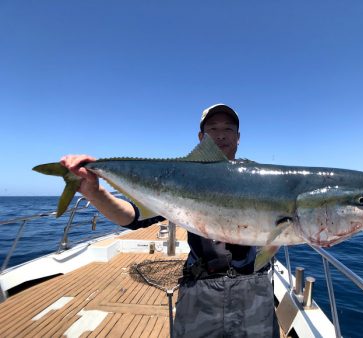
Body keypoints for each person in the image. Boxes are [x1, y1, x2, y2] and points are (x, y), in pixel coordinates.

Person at [60, 104, 279, 338]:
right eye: (213, 128)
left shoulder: (260, 179)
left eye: (228, 128)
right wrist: (95, 193)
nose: (221, 134)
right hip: (200, 292)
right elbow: (133, 217)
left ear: (238, 137)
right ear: (201, 137)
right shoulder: (183, 178)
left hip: (254, 290)